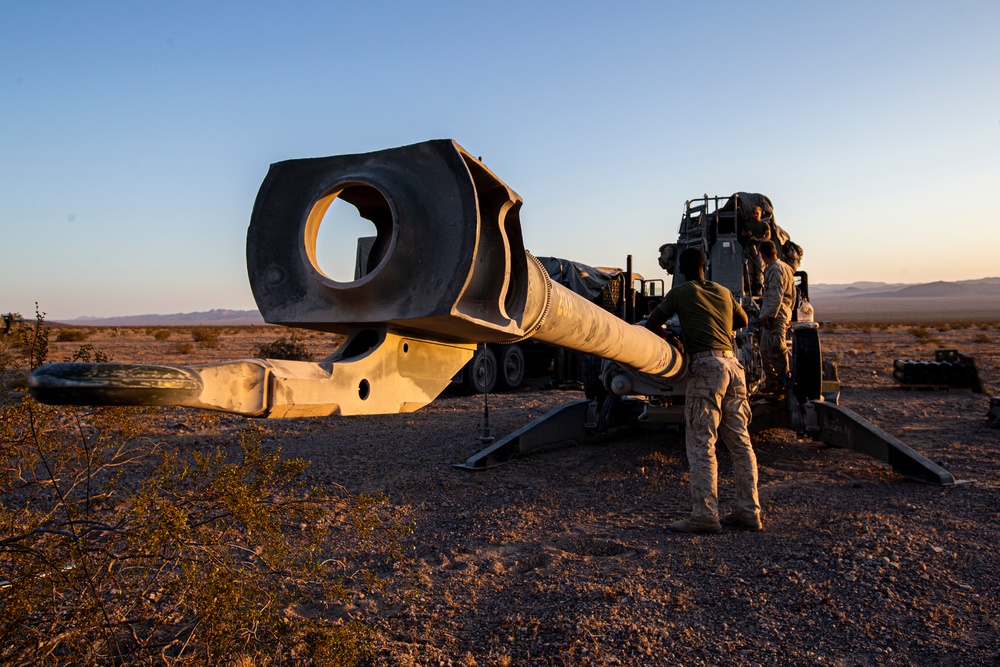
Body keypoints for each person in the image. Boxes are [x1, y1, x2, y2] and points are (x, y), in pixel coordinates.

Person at [645, 248, 763, 533]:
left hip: (706, 367)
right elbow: (744, 322)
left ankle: (705, 515)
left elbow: (652, 323)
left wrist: (673, 337)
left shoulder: (681, 292)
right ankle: (749, 511)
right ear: (705, 266)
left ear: (680, 270)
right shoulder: (723, 292)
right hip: (733, 366)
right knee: (740, 443)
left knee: (702, 444)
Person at [759, 240, 796, 393]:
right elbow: (793, 295)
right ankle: (773, 381)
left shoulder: (774, 269)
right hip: (783, 312)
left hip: (775, 315)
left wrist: (769, 314)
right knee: (765, 349)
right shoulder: (786, 267)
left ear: (762, 255)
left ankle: (782, 383)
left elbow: (776, 294)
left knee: (776, 348)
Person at [739, 206, 771, 295]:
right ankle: (748, 290)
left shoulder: (764, 224)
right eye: (754, 213)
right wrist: (747, 234)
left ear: (761, 213)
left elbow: (768, 236)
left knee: (759, 269)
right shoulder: (748, 224)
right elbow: (742, 234)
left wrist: (758, 239)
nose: (755, 215)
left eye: (757, 213)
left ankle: (759, 289)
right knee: (748, 270)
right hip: (748, 249)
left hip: (759, 249)